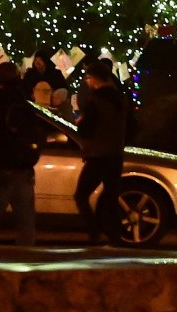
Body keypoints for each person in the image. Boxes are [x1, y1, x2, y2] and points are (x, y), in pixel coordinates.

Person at [0, 63, 51, 245]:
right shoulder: (24, 105)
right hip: (23, 170)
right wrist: (30, 160)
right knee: (26, 224)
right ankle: (26, 262)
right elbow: (37, 135)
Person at [74, 59, 127, 245]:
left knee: (81, 195)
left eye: (88, 78)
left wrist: (80, 123)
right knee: (111, 197)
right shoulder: (119, 99)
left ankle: (94, 232)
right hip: (115, 154)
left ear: (95, 79)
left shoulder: (94, 102)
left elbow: (86, 130)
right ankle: (115, 237)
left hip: (97, 155)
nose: (87, 82)